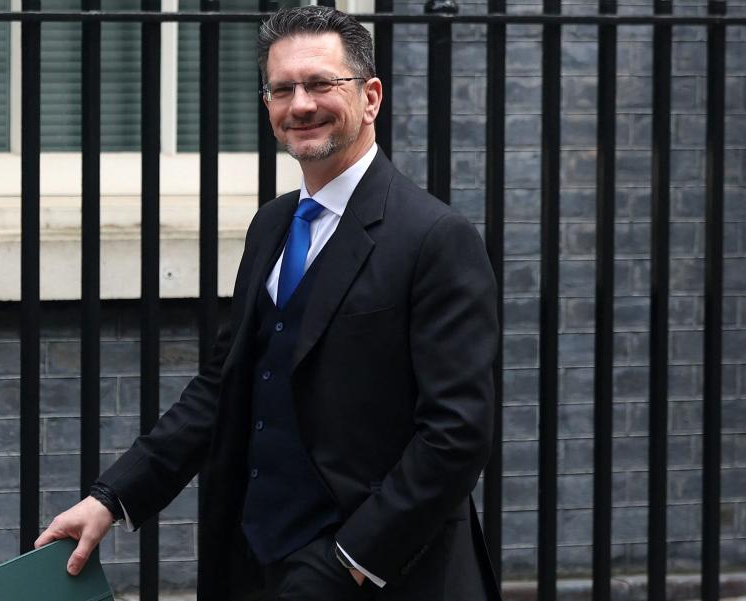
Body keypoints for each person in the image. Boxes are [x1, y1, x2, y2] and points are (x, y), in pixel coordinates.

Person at [35, 6, 500, 600]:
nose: (299, 104)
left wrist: (350, 562)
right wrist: (112, 497)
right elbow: (221, 388)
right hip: (255, 564)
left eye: (320, 84)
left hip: (375, 574)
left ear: (371, 96)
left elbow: (456, 436)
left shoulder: (435, 238)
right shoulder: (273, 225)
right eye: (282, 89)